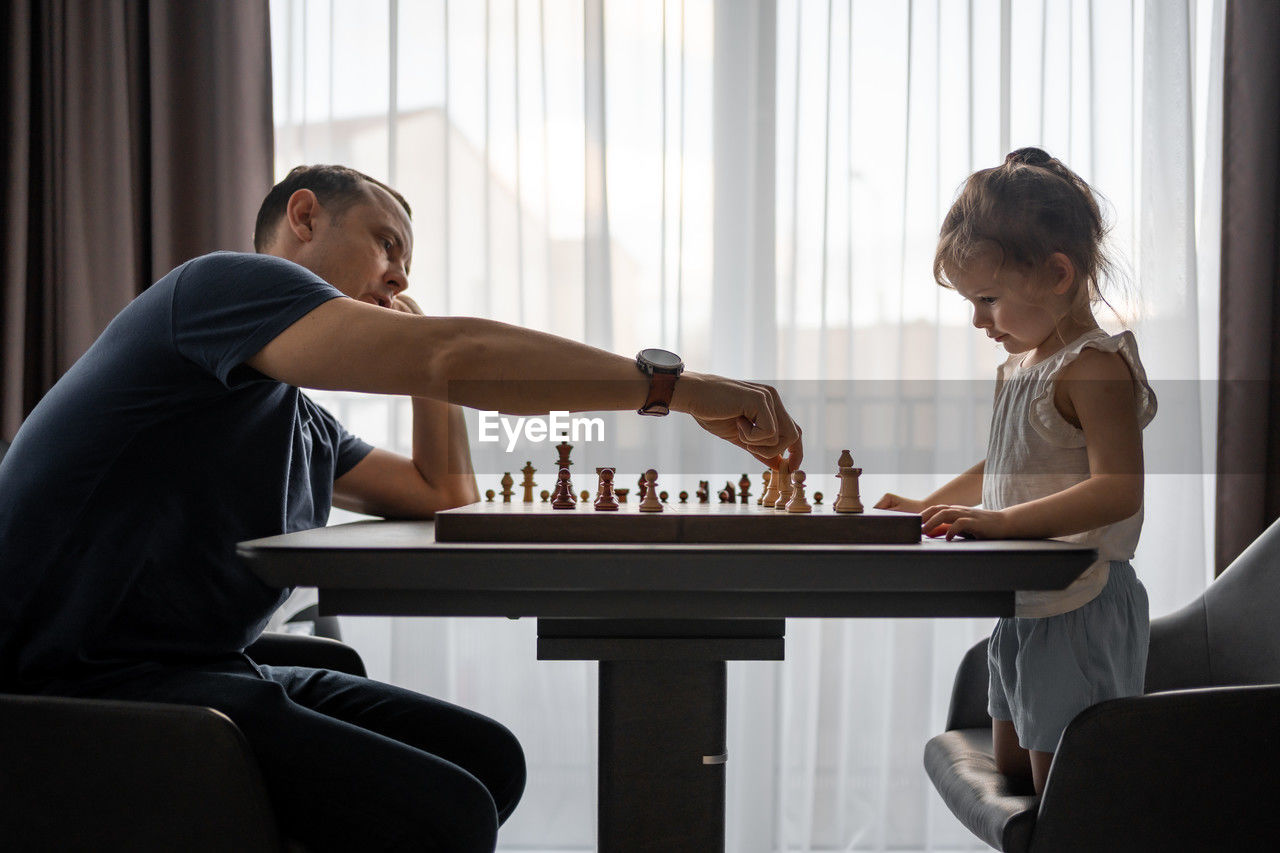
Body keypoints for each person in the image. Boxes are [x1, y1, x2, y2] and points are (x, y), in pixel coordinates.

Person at [0, 164, 803, 851]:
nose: (400, 275)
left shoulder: (299, 422)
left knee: (490, 759)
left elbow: (442, 492)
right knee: (447, 814)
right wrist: (677, 387)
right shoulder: (219, 288)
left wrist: (426, 365)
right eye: (386, 243)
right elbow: (456, 353)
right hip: (72, 686)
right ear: (305, 215)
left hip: (192, 672)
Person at [875, 148, 1156, 795]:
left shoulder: (1094, 365)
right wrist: (925, 507)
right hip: (1025, 599)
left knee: (1071, 792)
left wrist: (1000, 522)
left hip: (1079, 598)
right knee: (1009, 768)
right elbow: (999, 465)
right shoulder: (1026, 368)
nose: (978, 319)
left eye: (988, 299)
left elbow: (1117, 488)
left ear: (1058, 274)